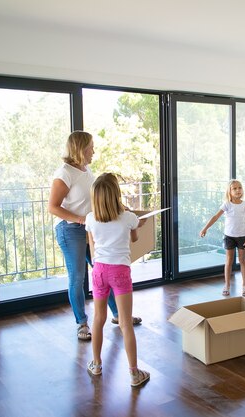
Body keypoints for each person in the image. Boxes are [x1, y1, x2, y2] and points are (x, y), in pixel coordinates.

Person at [48, 131, 140, 342]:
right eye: (91, 147)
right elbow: (52, 207)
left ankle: (119, 316)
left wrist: (122, 208)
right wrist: (81, 220)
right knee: (78, 276)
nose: (94, 151)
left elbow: (96, 199)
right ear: (80, 148)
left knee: (102, 269)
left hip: (89, 228)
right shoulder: (64, 174)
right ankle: (82, 324)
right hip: (70, 230)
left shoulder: (85, 170)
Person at [85, 173, 150, 387]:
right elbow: (134, 238)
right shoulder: (128, 217)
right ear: (116, 194)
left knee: (98, 319)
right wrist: (137, 226)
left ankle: (96, 364)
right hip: (120, 271)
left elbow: (93, 245)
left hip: (99, 270)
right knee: (125, 323)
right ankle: (133, 374)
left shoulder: (90, 218)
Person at [199, 179, 245, 297]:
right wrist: (205, 228)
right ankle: (227, 285)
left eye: (240, 188)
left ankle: (244, 286)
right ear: (229, 191)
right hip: (229, 237)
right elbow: (215, 217)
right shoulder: (227, 204)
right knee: (229, 261)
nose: (238, 190)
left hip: (242, 237)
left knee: (242, 260)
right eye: (235, 188)